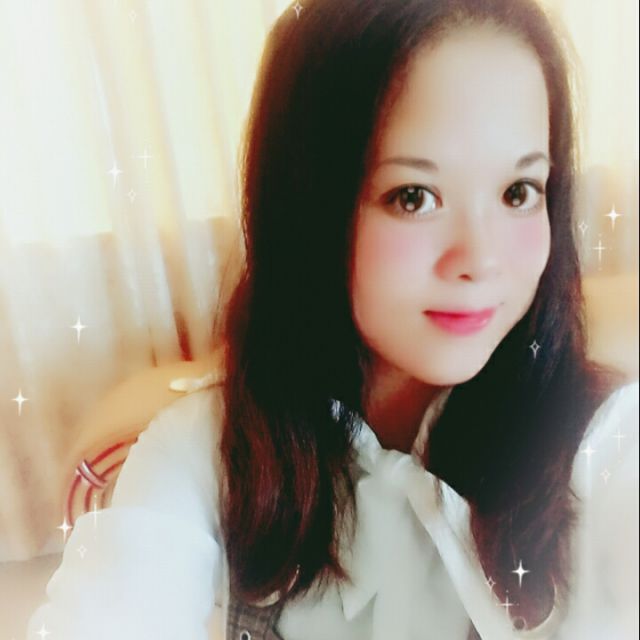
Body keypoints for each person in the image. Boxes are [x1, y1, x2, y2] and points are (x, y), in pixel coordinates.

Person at [26, 0, 638, 638]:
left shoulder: (605, 442)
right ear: (311, 206)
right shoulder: (205, 453)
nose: (481, 260)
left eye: (519, 192)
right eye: (414, 197)